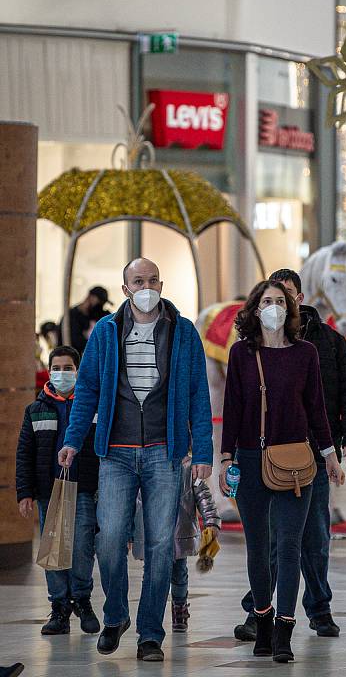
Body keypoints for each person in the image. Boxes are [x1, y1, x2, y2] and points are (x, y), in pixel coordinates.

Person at [57, 258, 213, 663]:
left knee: (161, 545)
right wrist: (73, 440)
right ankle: (115, 616)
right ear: (125, 288)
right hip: (117, 455)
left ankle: (150, 634)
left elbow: (199, 393)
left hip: (165, 452)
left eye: (151, 280)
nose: (146, 286)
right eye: (137, 281)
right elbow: (87, 390)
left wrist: (205, 452)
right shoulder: (106, 333)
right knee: (108, 542)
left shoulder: (183, 332)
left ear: (161, 283)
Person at [234, 268, 346, 642]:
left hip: (312, 454)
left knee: (314, 537)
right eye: (273, 299)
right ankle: (259, 612)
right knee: (273, 540)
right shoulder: (252, 348)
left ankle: (319, 608)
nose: (281, 305)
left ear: (301, 298)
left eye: (287, 296)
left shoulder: (327, 342)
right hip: (265, 454)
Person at [220, 280, 345, 663]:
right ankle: (262, 619)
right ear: (255, 309)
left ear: (290, 309)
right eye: (266, 301)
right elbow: (233, 408)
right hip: (250, 460)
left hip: (296, 462)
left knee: (289, 546)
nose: (273, 307)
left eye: (280, 301)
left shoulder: (306, 353)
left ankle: (285, 631)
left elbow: (317, 409)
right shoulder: (242, 354)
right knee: (259, 549)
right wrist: (226, 459)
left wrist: (330, 455)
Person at [16, 346, 100, 636]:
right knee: (53, 548)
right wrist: (25, 492)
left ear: (78, 371)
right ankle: (60, 607)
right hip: (48, 491)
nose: (62, 374)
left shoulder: (91, 408)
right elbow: (24, 453)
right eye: (57, 368)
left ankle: (83, 599)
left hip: (84, 489)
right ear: (49, 371)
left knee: (81, 547)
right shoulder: (35, 410)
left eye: (68, 368)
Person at [131, 453, 221, 632]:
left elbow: (203, 497)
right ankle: (151, 614)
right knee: (151, 574)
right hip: (153, 533)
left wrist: (211, 521)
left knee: (179, 574)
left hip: (178, 534)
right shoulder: (143, 465)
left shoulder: (188, 468)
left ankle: (179, 607)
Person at [58, 286, 112, 355]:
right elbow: (76, 342)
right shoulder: (72, 317)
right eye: (100, 302)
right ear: (90, 297)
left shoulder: (96, 315)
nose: (101, 306)